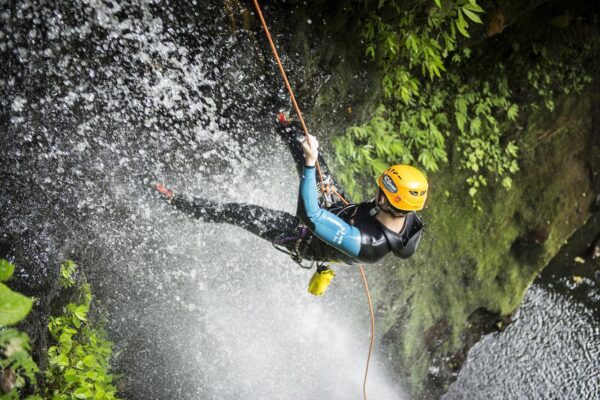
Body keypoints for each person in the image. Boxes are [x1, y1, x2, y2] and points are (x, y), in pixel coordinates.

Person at [154, 113, 428, 295]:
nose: (376, 191)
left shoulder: (366, 242)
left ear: (390, 202)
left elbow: (311, 215)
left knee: (240, 213)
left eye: (381, 191)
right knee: (301, 140)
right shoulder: (399, 212)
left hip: (304, 236)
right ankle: (278, 114)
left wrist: (311, 163)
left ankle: (174, 198)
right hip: (339, 210)